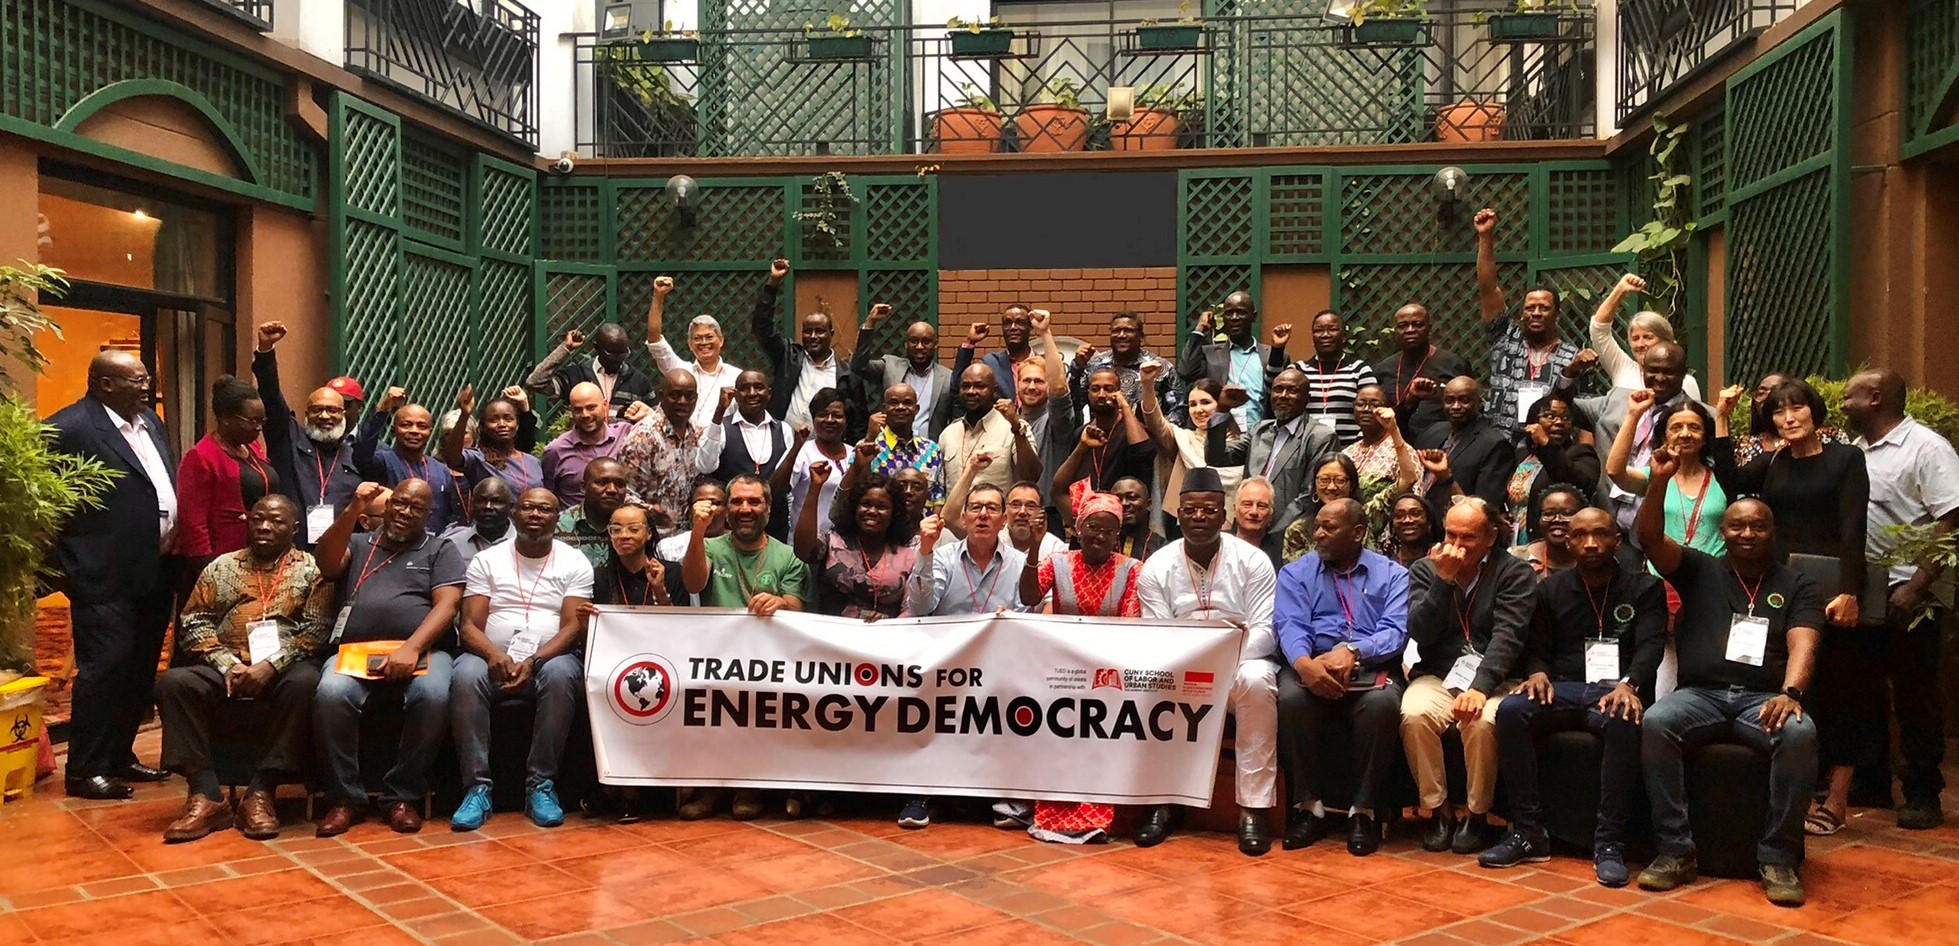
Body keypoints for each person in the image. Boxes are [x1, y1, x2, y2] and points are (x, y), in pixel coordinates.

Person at [1635, 447, 1821, 907]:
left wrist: (1791, 691)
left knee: (1800, 734)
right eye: (1737, 525)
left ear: (1772, 532)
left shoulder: (1797, 584)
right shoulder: (1699, 569)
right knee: (1658, 722)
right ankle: (1675, 851)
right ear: (1723, 531)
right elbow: (1650, 538)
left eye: (1758, 525)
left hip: (1763, 699)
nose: (1747, 533)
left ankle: (1778, 857)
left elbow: (1803, 641)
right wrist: (1659, 481)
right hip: (1701, 693)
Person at [1480, 507, 1666, 885]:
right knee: (1512, 711)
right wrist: (1537, 673)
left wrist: (1630, 684)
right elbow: (1536, 646)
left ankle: (1610, 841)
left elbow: (1651, 647)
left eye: (1600, 534)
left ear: (1617, 539)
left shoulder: (1645, 587)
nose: (1591, 543)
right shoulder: (1550, 589)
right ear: (1568, 540)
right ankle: (1528, 831)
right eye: (1580, 535)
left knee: (1622, 719)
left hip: (1616, 689)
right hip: (1562, 687)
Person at [1721, 379, 1868, 837]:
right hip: (1784, 588)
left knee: (1841, 688)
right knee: (1792, 683)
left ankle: (1838, 800)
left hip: (1831, 590)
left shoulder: (1846, 459)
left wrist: (1850, 591)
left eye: (1797, 408)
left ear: (1814, 413)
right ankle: (1795, 792)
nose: (1788, 418)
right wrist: (1723, 418)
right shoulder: (1774, 463)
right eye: (1778, 412)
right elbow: (1730, 485)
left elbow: (1853, 527)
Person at [155, 495, 330, 841]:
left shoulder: (312, 570)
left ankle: (261, 792)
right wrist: (227, 665)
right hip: (228, 665)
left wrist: (271, 665)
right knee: (173, 683)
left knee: (307, 681)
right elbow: (193, 622)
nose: (264, 527)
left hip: (283, 669)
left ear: (294, 529)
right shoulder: (222, 567)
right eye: (258, 519)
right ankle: (206, 795)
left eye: (276, 522)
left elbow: (316, 630)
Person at [46, 350, 178, 799]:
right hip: (102, 574)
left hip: (153, 569)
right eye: (136, 381)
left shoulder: (151, 423)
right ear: (104, 384)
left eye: (146, 380)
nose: (146, 386)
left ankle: (121, 755)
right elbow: (44, 510)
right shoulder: (69, 428)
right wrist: (68, 567)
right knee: (104, 668)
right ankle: (85, 768)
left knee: (139, 667)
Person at [1136, 467, 1279, 856]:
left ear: (1225, 516)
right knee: (1150, 682)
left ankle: (1253, 809)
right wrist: (1195, 661)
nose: (1199, 517)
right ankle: (1161, 801)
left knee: (1258, 680)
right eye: (1191, 510)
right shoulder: (1156, 567)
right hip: (1181, 668)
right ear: (1177, 515)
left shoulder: (1254, 561)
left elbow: (1265, 631)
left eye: (1209, 510)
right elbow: (1157, 636)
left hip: (1238, 667)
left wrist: (1221, 663)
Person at [311, 480, 464, 835]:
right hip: (354, 652)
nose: (405, 512)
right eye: (399, 503)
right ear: (388, 504)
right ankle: (345, 798)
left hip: (422, 650)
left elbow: (448, 605)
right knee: (331, 694)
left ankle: (401, 795)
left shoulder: (440, 549)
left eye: (416, 508)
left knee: (434, 694)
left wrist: (411, 648)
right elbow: (327, 565)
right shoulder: (359, 542)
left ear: (428, 515)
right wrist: (353, 510)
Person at [1843, 369, 1959, 829]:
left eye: (1849, 396)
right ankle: (1872, 781)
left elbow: (1951, 519)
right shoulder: (1856, 451)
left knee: (1915, 693)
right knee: (1864, 687)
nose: (1843, 403)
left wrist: (1917, 585)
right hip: (1866, 586)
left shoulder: (1928, 448)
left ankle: (1922, 791)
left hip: (1912, 588)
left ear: (1875, 398)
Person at [449, 487, 594, 831]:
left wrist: (534, 660)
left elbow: (574, 625)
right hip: (487, 656)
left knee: (562, 675)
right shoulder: (488, 559)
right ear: (515, 513)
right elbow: (468, 626)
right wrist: (494, 655)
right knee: (465, 675)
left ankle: (540, 786)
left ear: (558, 519)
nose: (535, 514)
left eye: (545, 509)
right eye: (527, 507)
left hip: (550, 658)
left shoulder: (575, 561)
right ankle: (477, 788)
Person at [1401, 498, 1539, 855]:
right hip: (1439, 675)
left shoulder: (1515, 573)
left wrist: (1480, 687)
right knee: (1414, 713)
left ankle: (1476, 814)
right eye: (1450, 535)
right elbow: (1420, 631)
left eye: (1468, 538)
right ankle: (1439, 810)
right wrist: (1443, 581)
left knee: (1481, 721)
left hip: (1498, 679)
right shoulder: (1426, 569)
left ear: (1491, 536)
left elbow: (1508, 635)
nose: (1456, 546)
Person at [1274, 499, 1410, 856]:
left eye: (1329, 527)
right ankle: (1309, 807)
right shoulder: (1296, 573)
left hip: (1370, 663)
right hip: (1312, 661)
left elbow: (1395, 631)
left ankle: (1363, 811)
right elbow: (1290, 624)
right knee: (1289, 698)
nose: (1318, 533)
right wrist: (1304, 664)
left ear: (1358, 533)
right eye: (1317, 525)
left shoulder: (1392, 574)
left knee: (1381, 704)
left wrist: (1354, 651)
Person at [682, 473, 811, 820]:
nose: (745, 509)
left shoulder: (787, 556)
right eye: (737, 501)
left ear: (768, 509)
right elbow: (693, 582)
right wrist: (698, 530)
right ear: (726, 509)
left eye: (754, 502)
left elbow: (798, 604)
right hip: (715, 656)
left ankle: (748, 786)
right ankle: (710, 788)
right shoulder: (709, 547)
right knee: (707, 705)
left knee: (761, 701)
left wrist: (781, 603)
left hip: (770, 659)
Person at [1017, 491, 1142, 844]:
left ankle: (1095, 818)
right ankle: (1050, 815)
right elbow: (1028, 597)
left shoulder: (1132, 570)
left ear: (1117, 536)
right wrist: (1034, 548)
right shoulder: (1057, 562)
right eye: (1092, 528)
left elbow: (1131, 626)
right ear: (1078, 528)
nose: (1099, 537)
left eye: (1108, 531)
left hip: (1107, 675)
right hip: (1061, 672)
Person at [902, 483, 1026, 829]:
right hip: (947, 666)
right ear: (963, 517)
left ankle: (1009, 793)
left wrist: (1012, 618)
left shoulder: (1020, 564)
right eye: (975, 508)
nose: (983, 514)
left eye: (991, 508)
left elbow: (1028, 613)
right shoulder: (941, 558)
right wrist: (924, 551)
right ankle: (922, 793)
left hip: (1001, 667)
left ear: (1003, 519)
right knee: (926, 706)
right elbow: (921, 607)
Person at [1474, 208, 1588, 432]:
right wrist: (1485, 236)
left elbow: (1584, 411)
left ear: (1557, 313)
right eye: (1530, 308)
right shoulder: (1505, 337)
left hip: (1546, 443)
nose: (1536, 312)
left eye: (1544, 308)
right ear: (1522, 313)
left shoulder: (1572, 357)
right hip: (1499, 438)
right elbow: (1488, 289)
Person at [250, 321, 364, 546]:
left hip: (340, 557)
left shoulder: (357, 457)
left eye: (332, 410)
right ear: (306, 413)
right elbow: (271, 398)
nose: (324, 416)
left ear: (345, 414)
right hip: (290, 553)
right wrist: (265, 352)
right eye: (316, 410)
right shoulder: (288, 439)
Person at [1564, 342, 1695, 534]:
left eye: (1668, 372)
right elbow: (1561, 408)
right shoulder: (1616, 399)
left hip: (1665, 524)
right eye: (1653, 371)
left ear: (1683, 374)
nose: (1659, 378)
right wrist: (1570, 373)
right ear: (1643, 370)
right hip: (1607, 519)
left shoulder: (1697, 418)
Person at [173, 376, 278, 600]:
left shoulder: (253, 448)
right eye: (252, 421)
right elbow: (193, 524)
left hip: (258, 554)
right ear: (226, 418)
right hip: (220, 562)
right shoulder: (201, 457)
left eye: (262, 421)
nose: (258, 428)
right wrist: (210, 572)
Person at [1607, 394, 1728, 557]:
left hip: (1713, 575)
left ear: (1705, 437)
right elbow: (1615, 471)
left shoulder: (1722, 479)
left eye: (1694, 427)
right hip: (1662, 575)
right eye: (1676, 428)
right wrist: (1633, 415)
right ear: (1664, 437)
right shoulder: (1655, 477)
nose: (1685, 434)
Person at [797, 463, 919, 620]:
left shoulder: (909, 553)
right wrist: (815, 488)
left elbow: (911, 608)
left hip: (886, 638)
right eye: (865, 504)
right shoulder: (833, 540)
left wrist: (886, 626)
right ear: (854, 508)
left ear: (894, 513)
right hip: (830, 637)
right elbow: (803, 551)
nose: (872, 511)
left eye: (882, 507)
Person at [1140, 363, 1246, 537]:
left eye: (1205, 402)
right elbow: (1154, 421)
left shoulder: (1241, 444)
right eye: (1192, 404)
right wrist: (1147, 385)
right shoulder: (1182, 438)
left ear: (1220, 405)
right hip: (1184, 527)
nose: (1199, 410)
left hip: (1231, 526)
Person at [753, 258, 858, 430]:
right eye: (808, 331)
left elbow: (857, 420)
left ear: (831, 334)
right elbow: (761, 326)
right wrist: (773, 283)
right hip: (783, 446)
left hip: (825, 449)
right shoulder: (788, 357)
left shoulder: (846, 374)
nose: (813, 336)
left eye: (819, 331)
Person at [616, 370, 727, 529]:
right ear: (661, 396)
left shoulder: (698, 432)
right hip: (655, 537)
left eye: (689, 396)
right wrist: (651, 511)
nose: (682, 401)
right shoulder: (643, 438)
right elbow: (623, 493)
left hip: (692, 535)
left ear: (696, 398)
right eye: (675, 395)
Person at [1243, 367, 1339, 538]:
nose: (1283, 395)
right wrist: (1221, 411)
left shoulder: (1320, 437)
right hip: (1248, 527)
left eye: (1292, 391)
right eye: (1278, 389)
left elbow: (1310, 494)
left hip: (1286, 535)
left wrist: (1271, 531)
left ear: (1307, 399)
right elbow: (1218, 456)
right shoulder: (1259, 430)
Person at [354, 387, 461, 534]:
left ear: (430, 432)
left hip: (433, 548)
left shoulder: (441, 470)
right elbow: (361, 452)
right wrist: (383, 409)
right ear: (394, 430)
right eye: (406, 425)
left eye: (422, 426)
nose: (414, 431)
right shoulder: (383, 461)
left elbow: (450, 514)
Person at [1177, 293, 1291, 427]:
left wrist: (1277, 350)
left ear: (1253, 316)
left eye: (1241, 312)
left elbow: (1279, 397)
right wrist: (1199, 330)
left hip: (1260, 435)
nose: (1235, 318)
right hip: (1221, 433)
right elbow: (1185, 372)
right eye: (1229, 313)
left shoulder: (1272, 355)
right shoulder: (1210, 354)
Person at [645, 274, 742, 428]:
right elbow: (654, 340)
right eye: (697, 339)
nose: (704, 343)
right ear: (690, 344)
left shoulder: (737, 376)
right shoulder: (681, 371)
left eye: (709, 337)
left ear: (721, 340)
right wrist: (658, 295)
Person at [713, 369, 801, 537]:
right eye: (745, 388)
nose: (752, 393)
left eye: (758, 387)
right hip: (734, 524)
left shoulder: (783, 430)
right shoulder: (721, 429)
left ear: (768, 393)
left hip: (776, 523)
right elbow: (705, 465)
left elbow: (789, 485)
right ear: (736, 394)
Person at [1587, 273, 1703, 399]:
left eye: (1648, 337)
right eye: (1635, 338)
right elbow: (1598, 329)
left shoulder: (1686, 382)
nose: (1640, 344)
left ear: (1666, 342)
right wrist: (1620, 290)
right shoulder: (1622, 368)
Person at [1054, 368, 1159, 506]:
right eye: (1095, 389)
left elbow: (1143, 452)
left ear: (1119, 393)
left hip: (1127, 513)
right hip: (1090, 515)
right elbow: (1063, 484)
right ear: (1088, 393)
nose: (1102, 394)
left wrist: (1125, 407)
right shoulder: (1081, 433)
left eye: (1109, 389)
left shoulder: (1132, 429)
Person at [1505, 393, 1599, 547]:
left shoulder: (1581, 454)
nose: (1559, 422)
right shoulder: (1522, 455)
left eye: (1566, 418)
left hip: (1554, 542)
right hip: (1515, 540)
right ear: (1532, 422)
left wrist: (1546, 444)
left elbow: (1577, 483)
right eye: (1550, 416)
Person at [853, 303, 957, 437]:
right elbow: (858, 366)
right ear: (906, 344)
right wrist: (870, 323)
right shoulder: (890, 366)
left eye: (926, 342)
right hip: (890, 449)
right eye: (914, 341)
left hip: (929, 451)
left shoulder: (947, 378)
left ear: (935, 344)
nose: (920, 347)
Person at [1413, 377, 1515, 510]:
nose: (1456, 407)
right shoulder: (1434, 431)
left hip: (1457, 524)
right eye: (1449, 401)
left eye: (1464, 400)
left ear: (1479, 402)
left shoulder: (1495, 445)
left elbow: (1486, 508)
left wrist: (1446, 478)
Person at [1013, 310, 1078, 521]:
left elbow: (1059, 388)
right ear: (1017, 384)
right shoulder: (1006, 420)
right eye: (1026, 381)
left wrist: (1045, 333)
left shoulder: (1055, 421)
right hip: (1011, 514)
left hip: (1047, 514)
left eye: (1039, 381)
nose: (1032, 387)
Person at [939, 362, 1038, 498]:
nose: (971, 392)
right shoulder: (948, 434)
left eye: (980, 386)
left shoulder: (1014, 428)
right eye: (966, 386)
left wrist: (1016, 429)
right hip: (956, 518)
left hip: (996, 517)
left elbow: (1032, 476)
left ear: (994, 391)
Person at [842, 383, 946, 511]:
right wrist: (870, 438)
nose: (901, 407)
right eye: (894, 403)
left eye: (907, 403)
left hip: (922, 527)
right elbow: (853, 492)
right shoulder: (868, 447)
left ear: (916, 409)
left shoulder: (932, 450)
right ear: (884, 409)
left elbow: (938, 499)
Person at [1375, 303, 1472, 435]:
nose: (1410, 330)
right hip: (1394, 444)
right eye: (1402, 326)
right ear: (1396, 332)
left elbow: (1472, 408)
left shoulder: (1453, 364)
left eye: (1417, 324)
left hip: (1442, 445)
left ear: (1429, 329)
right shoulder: (1383, 369)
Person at [523, 322, 653, 419]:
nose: (618, 360)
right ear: (597, 348)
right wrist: (565, 348)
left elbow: (655, 419)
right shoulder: (576, 376)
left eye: (623, 354)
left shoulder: (639, 381)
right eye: (612, 354)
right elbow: (535, 382)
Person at [540, 382, 636, 509]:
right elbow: (548, 496)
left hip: (622, 522)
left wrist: (648, 413)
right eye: (578, 410)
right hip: (576, 524)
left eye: (591, 407)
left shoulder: (626, 434)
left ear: (605, 405)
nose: (585, 415)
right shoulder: (556, 451)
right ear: (571, 411)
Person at [1067, 311, 1179, 420]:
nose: (1121, 335)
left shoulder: (1160, 368)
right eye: (1116, 331)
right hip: (1103, 436)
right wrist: (1077, 367)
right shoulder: (1094, 365)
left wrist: (1161, 431)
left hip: (1148, 436)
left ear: (1141, 336)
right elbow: (1074, 404)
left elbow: (1178, 409)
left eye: (1128, 330)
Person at [1292, 309, 1378, 446]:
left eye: (1332, 329)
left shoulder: (1359, 370)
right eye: (1319, 330)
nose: (1325, 335)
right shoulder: (1299, 370)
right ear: (1313, 337)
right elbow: (1275, 394)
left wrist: (1358, 447)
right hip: (1306, 451)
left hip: (1349, 451)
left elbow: (1374, 411)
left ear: (1343, 336)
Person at [440, 384, 542, 497]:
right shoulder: (477, 459)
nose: (502, 424)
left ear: (517, 425)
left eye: (508, 419)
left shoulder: (533, 462)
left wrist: (524, 406)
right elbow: (452, 457)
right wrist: (464, 415)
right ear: (483, 426)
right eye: (494, 420)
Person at [950, 303, 1036, 401]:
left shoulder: (1043, 364)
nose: (1013, 327)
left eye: (1020, 322)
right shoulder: (991, 363)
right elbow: (958, 386)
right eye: (1007, 323)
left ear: (1031, 327)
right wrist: (970, 342)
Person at [558, 459, 633, 567]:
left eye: (620, 484)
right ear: (584, 488)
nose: (612, 490)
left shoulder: (636, 526)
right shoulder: (559, 525)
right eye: (602, 482)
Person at [1509, 483, 1585, 576]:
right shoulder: (1516, 558)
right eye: (1548, 514)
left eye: (1567, 513)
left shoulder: (1593, 559)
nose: (1557, 519)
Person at [443, 478, 516, 563]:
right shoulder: (452, 544)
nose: (488, 507)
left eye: (496, 501)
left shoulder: (526, 545)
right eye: (481, 501)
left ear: (510, 506)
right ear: (472, 504)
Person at [1232, 476, 1285, 568]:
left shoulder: (1282, 552)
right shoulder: (1218, 544)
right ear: (1234, 510)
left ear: (1271, 514)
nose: (1254, 512)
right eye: (1247, 504)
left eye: (1262, 506)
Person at [1386, 491, 1443, 568]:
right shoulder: (1387, 566)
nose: (1407, 520)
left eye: (1415, 513)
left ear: (1429, 521)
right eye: (1399, 515)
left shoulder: (1442, 559)